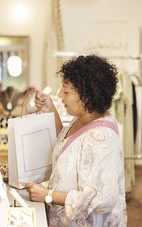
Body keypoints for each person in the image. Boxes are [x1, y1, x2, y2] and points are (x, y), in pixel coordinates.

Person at [25, 55, 127, 226]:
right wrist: (51, 110)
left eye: (66, 91)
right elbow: (67, 144)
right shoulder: (81, 118)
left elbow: (102, 199)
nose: (60, 95)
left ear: (86, 95)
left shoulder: (102, 139)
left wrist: (48, 195)